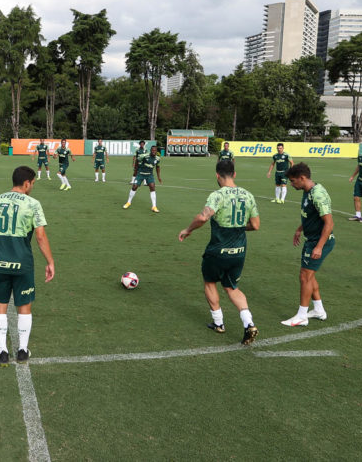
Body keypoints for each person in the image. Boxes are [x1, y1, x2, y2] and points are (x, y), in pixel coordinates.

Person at [0, 166, 55, 366]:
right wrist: (50, 261)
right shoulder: (33, 204)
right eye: (33, 184)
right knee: (24, 306)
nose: (32, 187)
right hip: (23, 264)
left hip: (0, 263)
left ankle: (2, 351)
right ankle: (22, 350)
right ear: (27, 183)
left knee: (0, 305)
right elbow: (40, 236)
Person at [178, 160, 261, 345]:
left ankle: (219, 323)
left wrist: (188, 229)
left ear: (217, 175)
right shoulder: (248, 195)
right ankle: (249, 323)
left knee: (210, 282)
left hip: (218, 249)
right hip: (239, 250)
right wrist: (238, 228)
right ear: (235, 174)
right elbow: (255, 225)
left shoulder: (217, 195)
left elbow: (202, 217)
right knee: (232, 287)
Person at [281, 163, 333, 326]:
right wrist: (299, 229)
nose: (291, 184)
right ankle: (318, 310)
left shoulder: (317, 194)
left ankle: (302, 316)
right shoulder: (307, 191)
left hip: (319, 242)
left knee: (305, 276)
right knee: (309, 275)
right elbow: (311, 215)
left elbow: (329, 223)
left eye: (293, 180)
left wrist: (319, 246)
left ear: (302, 178)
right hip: (311, 239)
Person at [124, 145, 162, 211]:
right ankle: (128, 202)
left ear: (156, 151)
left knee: (152, 187)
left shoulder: (157, 158)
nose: (153, 151)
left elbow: (157, 167)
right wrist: (135, 171)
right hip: (140, 173)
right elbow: (137, 161)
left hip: (149, 175)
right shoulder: (144, 156)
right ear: (150, 150)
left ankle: (154, 206)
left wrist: (159, 177)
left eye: (155, 150)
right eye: (152, 150)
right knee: (134, 186)